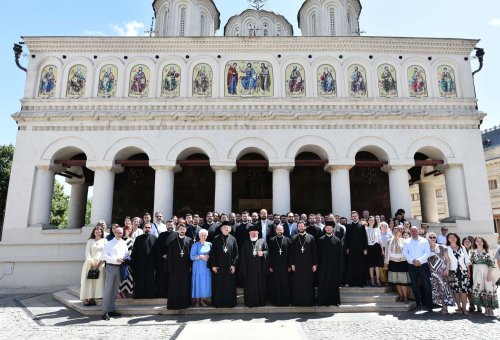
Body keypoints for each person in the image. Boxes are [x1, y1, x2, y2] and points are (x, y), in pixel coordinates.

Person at [403, 226, 433, 313]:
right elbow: (405, 252)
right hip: (411, 265)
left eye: (415, 231)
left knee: (427, 286)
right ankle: (418, 305)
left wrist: (419, 261)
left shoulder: (424, 241)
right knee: (415, 286)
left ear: (418, 231)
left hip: (423, 265)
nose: (414, 232)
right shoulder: (407, 241)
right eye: (412, 231)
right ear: (410, 232)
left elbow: (427, 253)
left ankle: (429, 306)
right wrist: (412, 261)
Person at [101, 227, 128, 320]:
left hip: (120, 268)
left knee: (115, 291)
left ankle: (111, 310)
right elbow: (104, 256)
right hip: (111, 267)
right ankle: (104, 312)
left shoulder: (124, 243)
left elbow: (126, 253)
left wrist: (125, 258)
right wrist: (115, 259)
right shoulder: (109, 243)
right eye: (118, 232)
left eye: (121, 233)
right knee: (108, 290)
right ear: (114, 232)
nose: (119, 234)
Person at [209, 221, 239, 307]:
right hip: (219, 267)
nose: (226, 229)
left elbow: (236, 254)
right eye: (224, 228)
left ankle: (229, 303)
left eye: (227, 228)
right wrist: (213, 265)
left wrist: (234, 265)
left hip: (229, 267)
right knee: (218, 286)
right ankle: (218, 303)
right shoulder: (216, 238)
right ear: (221, 229)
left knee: (229, 286)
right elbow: (213, 253)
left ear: (230, 229)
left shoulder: (233, 239)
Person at [239, 224, 268, 307]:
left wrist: (263, 253)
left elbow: (268, 252)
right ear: (249, 234)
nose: (254, 234)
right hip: (249, 270)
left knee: (260, 286)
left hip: (260, 269)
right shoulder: (246, 243)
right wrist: (244, 270)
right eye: (252, 233)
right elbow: (243, 257)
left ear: (258, 233)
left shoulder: (262, 241)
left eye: (255, 233)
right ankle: (250, 302)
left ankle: (260, 302)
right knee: (250, 287)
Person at [427, 232, 455, 314]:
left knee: (444, 288)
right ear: (428, 238)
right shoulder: (426, 248)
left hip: (442, 271)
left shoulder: (442, 247)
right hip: (432, 272)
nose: (432, 238)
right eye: (430, 237)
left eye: (434, 237)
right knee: (437, 289)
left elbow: (447, 259)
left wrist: (447, 269)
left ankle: (445, 308)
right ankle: (442, 306)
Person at [290, 221, 317, 306]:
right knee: (298, 283)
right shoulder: (294, 238)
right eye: (299, 227)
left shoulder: (311, 237)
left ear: (305, 227)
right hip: (297, 265)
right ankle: (298, 302)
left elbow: (314, 252)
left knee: (308, 283)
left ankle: (309, 302)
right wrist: (292, 264)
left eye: (302, 226)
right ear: (297, 228)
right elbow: (292, 252)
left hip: (308, 265)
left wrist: (315, 264)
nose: (301, 228)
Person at [470, 236, 498, 317]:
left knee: (489, 289)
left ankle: (491, 309)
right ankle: (486, 308)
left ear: (483, 242)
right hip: (476, 272)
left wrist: (489, 274)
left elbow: (491, 263)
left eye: (481, 241)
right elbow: (470, 263)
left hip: (486, 271)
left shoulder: (487, 251)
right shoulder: (472, 252)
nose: (479, 242)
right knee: (480, 290)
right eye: (477, 241)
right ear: (475, 242)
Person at [317, 221, 343, 306]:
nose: (328, 229)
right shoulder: (321, 240)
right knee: (323, 283)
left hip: (334, 267)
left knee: (333, 284)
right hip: (323, 267)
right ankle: (323, 301)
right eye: (327, 228)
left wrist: (339, 266)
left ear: (332, 229)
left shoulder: (337, 240)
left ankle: (334, 301)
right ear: (325, 229)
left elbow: (340, 256)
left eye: (330, 228)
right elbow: (318, 255)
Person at [167, 224, 193, 310]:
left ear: (185, 230)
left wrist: (190, 266)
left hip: (186, 267)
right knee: (175, 285)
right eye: (181, 229)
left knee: (185, 285)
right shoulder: (173, 241)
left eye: (184, 229)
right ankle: (175, 304)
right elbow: (170, 256)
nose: (182, 230)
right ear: (178, 230)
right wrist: (170, 268)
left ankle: (185, 304)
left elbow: (191, 255)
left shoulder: (189, 240)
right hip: (175, 268)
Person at [80, 225, 107, 306]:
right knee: (87, 281)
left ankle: (93, 298)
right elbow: (87, 252)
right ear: (94, 233)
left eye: (99, 232)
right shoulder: (90, 241)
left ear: (101, 232)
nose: (98, 233)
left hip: (100, 264)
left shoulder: (105, 241)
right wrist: (91, 262)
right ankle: (85, 299)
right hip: (89, 264)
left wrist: (99, 262)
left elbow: (105, 253)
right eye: (96, 232)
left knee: (97, 282)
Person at [446, 233, 471, 315]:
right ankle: (459, 308)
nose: (453, 238)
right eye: (450, 237)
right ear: (448, 239)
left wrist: (468, 272)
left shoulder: (462, 247)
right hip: (453, 272)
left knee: (464, 291)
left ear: (457, 238)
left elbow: (467, 261)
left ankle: (464, 308)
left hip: (463, 271)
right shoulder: (447, 248)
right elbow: (447, 261)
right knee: (455, 291)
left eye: (454, 237)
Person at [131, 222, 157, 299]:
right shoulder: (138, 238)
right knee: (140, 279)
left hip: (151, 263)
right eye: (146, 227)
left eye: (149, 227)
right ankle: (140, 295)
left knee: (150, 279)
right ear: (143, 228)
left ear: (151, 229)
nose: (147, 229)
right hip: (140, 263)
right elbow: (134, 251)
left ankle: (150, 294)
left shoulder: (154, 238)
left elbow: (156, 252)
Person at [384, 227, 411, 303]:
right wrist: (386, 263)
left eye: (397, 232)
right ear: (392, 232)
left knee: (404, 281)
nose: (395, 233)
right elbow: (386, 252)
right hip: (393, 262)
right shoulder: (389, 241)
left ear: (400, 232)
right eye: (394, 232)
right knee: (397, 281)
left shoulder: (404, 241)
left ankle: (406, 297)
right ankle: (401, 296)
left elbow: (407, 252)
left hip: (402, 262)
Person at [268, 224, 292, 306]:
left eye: (280, 230)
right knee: (276, 283)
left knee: (285, 283)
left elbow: (290, 255)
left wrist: (289, 265)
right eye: (278, 230)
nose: (279, 231)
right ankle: (276, 301)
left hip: (285, 266)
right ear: (275, 231)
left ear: (283, 230)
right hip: (275, 266)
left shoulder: (288, 240)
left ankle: (285, 301)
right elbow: (269, 254)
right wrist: (270, 266)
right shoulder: (271, 240)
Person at [153, 220, 175, 298]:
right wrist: (163, 255)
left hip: (174, 261)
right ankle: (162, 293)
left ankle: (171, 293)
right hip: (162, 260)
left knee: (172, 278)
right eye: (168, 225)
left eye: (171, 225)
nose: (170, 226)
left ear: (174, 225)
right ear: (166, 226)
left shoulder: (177, 235)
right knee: (162, 278)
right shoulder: (162, 235)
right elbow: (157, 247)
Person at [345, 211, 368, 287]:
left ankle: (360, 282)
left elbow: (364, 238)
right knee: (352, 266)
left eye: (355, 216)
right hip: (351, 249)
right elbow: (346, 238)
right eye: (353, 216)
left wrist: (365, 248)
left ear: (358, 217)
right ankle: (351, 282)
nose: (354, 217)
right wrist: (347, 248)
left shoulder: (361, 226)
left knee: (360, 265)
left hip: (360, 249)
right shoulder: (348, 226)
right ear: (351, 217)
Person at [190, 229, 212, 307]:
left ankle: (203, 300)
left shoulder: (210, 244)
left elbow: (213, 254)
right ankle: (197, 300)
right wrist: (201, 256)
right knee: (198, 282)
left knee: (204, 283)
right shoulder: (195, 245)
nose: (203, 237)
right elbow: (192, 257)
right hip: (198, 267)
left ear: (207, 236)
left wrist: (209, 256)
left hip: (206, 267)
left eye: (204, 235)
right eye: (201, 235)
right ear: (199, 236)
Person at [366, 216, 383, 286]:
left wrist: (382, 250)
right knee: (371, 265)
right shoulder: (365, 229)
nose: (372, 221)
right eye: (370, 220)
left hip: (376, 247)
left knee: (377, 264)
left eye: (373, 220)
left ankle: (378, 280)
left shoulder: (377, 229)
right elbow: (364, 240)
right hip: (369, 247)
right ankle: (372, 279)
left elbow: (380, 240)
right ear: (368, 221)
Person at [118, 224, 134, 298]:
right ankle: (120, 292)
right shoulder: (121, 239)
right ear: (124, 229)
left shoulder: (132, 239)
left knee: (129, 277)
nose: (129, 230)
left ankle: (127, 291)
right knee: (122, 276)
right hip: (122, 260)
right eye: (128, 229)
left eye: (130, 229)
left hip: (129, 261)